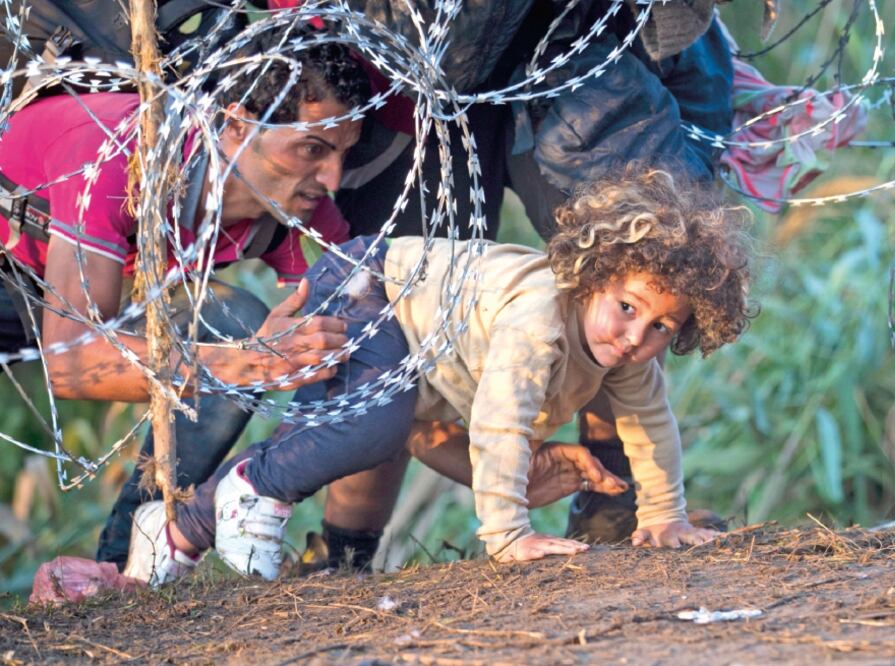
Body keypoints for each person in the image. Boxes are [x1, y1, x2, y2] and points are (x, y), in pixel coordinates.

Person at [123, 165, 753, 585]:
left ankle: (179, 529)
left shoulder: (621, 350)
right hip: (369, 287)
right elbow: (500, 422)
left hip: (413, 339)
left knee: (367, 426)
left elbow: (650, 425)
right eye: (627, 308)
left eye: (661, 328)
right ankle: (253, 487)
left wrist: (664, 515)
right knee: (369, 428)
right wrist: (508, 535)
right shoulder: (540, 317)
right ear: (594, 273)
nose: (635, 337)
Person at [0, 27, 370, 569]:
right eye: (312, 149)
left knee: (233, 318)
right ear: (239, 124)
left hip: (85, 284)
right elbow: (73, 363)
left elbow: (368, 343)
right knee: (237, 343)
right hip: (13, 266)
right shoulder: (122, 151)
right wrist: (256, 364)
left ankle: (131, 564)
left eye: (343, 153)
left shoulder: (296, 207)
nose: (332, 178)